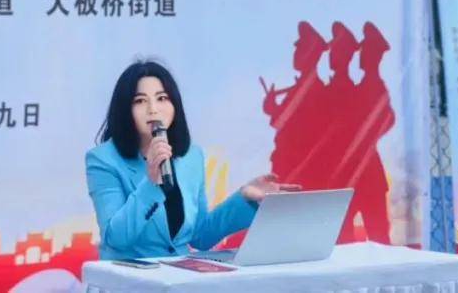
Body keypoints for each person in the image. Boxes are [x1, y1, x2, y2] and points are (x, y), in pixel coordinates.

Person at [86, 60, 299, 260]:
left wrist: (244, 197)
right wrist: (150, 183)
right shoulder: (103, 160)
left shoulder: (190, 156)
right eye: (140, 101)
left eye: (162, 98)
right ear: (125, 109)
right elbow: (116, 238)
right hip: (129, 279)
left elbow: (200, 236)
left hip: (179, 278)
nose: (153, 109)